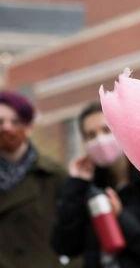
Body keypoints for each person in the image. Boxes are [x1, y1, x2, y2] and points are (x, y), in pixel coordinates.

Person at [51, 102, 140, 268]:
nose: (100, 140)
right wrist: (76, 184)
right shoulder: (88, 187)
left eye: (106, 130)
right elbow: (64, 246)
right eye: (91, 135)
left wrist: (120, 217)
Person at [0, 91, 66, 268]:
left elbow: (75, 231)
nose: (7, 128)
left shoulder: (54, 175)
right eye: (0, 122)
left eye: (15, 122)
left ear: (28, 127)